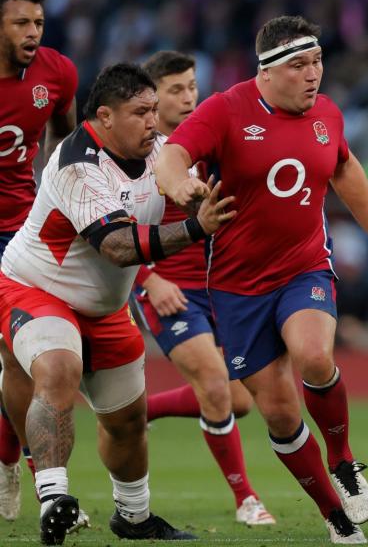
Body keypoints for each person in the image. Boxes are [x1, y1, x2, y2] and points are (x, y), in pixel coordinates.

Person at [155, 15, 368, 545]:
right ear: (266, 72)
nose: (313, 74)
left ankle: (342, 459)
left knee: (315, 356)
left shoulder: (327, 114)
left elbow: (344, 169)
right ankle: (334, 516)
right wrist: (178, 183)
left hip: (304, 267)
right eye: (299, 65)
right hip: (236, 287)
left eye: (317, 62)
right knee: (277, 412)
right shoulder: (224, 110)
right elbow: (175, 152)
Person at [0, 63, 231, 544]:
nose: (153, 121)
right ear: (104, 117)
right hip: (36, 287)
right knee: (59, 366)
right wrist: (195, 227)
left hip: (106, 307)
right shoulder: (77, 165)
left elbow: (173, 176)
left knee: (126, 419)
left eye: (153, 110)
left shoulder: (157, 148)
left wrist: (190, 192)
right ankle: (54, 498)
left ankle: (134, 516)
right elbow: (118, 246)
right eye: (140, 112)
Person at [132, 50, 274, 526]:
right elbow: (101, 228)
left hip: (221, 287)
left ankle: (141, 408)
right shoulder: (137, 154)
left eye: (192, 86)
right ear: (152, 98)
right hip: (168, 289)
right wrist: (148, 279)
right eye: (176, 89)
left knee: (239, 401)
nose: (189, 96)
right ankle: (247, 499)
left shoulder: (212, 142)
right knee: (215, 387)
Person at [0, 0, 78, 522]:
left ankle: (20, 467)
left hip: (19, 231)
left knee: (20, 359)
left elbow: (65, 140)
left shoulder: (56, 72)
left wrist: (52, 193)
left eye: (39, 23)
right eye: (21, 23)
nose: (34, 33)